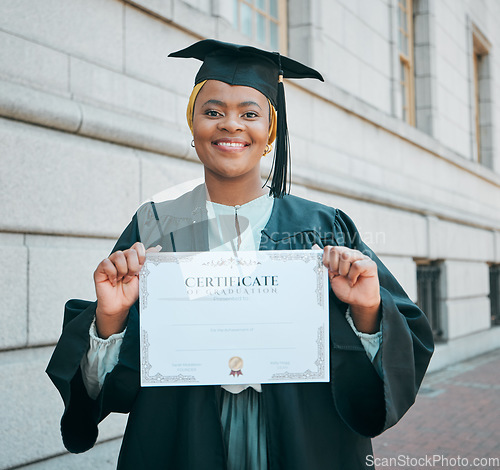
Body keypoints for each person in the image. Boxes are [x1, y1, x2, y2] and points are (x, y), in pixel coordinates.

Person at [47, 39, 434, 470]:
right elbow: (109, 386)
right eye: (212, 111)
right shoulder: (157, 226)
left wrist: (367, 311)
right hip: (183, 436)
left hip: (303, 436)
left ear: (270, 131)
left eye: (250, 113)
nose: (231, 125)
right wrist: (112, 319)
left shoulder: (323, 228)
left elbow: (403, 350)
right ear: (192, 125)